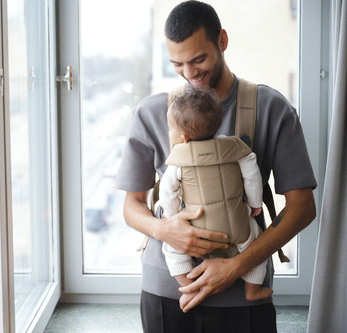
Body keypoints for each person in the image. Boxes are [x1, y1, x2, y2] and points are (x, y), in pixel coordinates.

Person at [115, 1, 317, 331]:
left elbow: (303, 208)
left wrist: (237, 266)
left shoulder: (271, 108)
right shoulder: (151, 113)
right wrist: (164, 230)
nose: (190, 73)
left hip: (244, 292)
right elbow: (131, 205)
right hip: (167, 291)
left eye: (198, 59)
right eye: (177, 64)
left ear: (222, 40)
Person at [159, 87, 273, 307]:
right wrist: (255, 203)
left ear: (183, 137)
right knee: (258, 247)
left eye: (170, 129)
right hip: (238, 228)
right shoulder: (235, 148)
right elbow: (252, 175)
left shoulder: (179, 161)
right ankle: (253, 289)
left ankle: (188, 287)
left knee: (172, 248)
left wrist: (172, 216)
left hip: (197, 229)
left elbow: (168, 191)